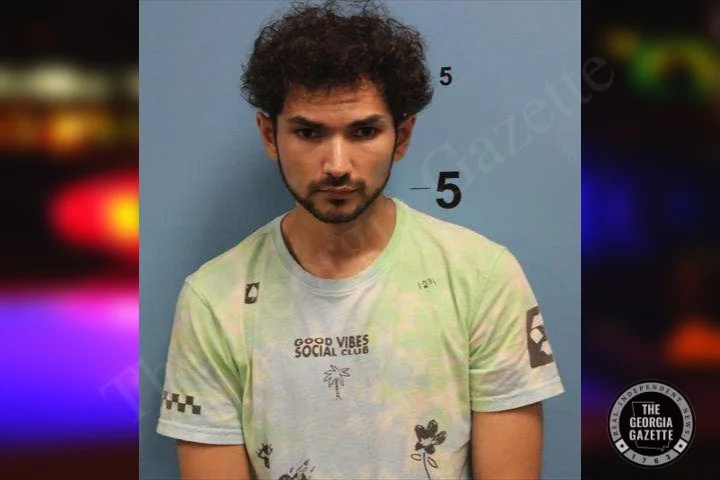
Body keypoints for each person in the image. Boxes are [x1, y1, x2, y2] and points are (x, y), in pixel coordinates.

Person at [156, 1, 565, 478]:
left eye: (364, 131)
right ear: (270, 136)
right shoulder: (213, 299)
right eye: (308, 132)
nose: (337, 165)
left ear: (402, 136)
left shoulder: (482, 276)